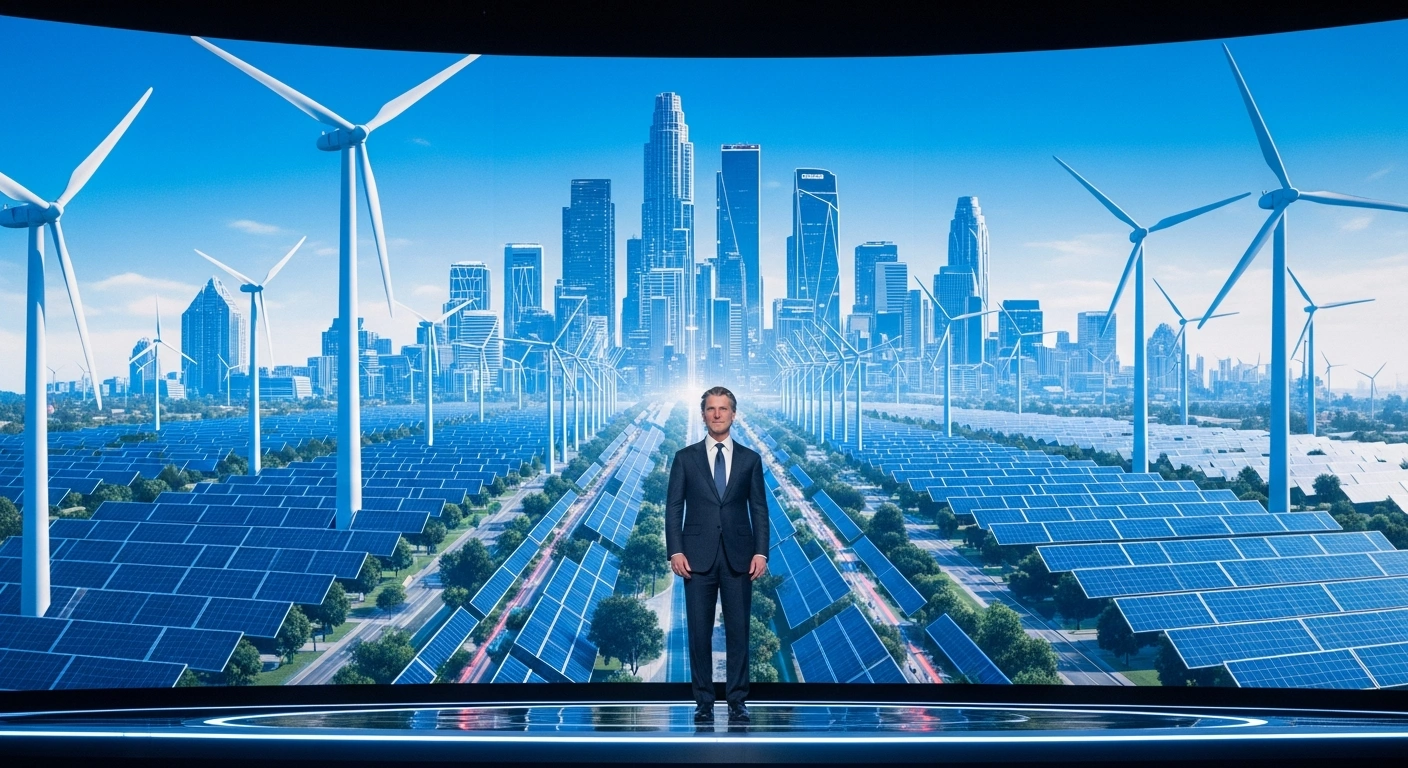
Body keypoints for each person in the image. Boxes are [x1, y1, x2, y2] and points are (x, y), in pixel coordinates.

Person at [665, 386, 769, 724]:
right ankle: (704, 702)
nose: (718, 414)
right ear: (703, 414)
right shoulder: (685, 457)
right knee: (699, 632)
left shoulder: (751, 459)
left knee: (739, 632)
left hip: (740, 557)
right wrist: (675, 550)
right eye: (711, 408)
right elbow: (673, 507)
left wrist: (761, 553)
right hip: (696, 558)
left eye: (724, 408)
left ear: (734, 414)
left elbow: (759, 510)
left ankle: (737, 701)